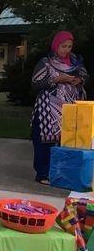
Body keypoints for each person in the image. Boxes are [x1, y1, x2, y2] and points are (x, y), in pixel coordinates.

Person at [31, 30, 88, 184]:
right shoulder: (45, 62)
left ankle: (63, 174)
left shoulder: (75, 61)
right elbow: (36, 84)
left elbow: (85, 77)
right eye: (63, 46)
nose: (66, 50)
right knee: (45, 140)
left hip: (70, 108)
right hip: (48, 108)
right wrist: (57, 79)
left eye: (69, 46)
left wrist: (79, 80)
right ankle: (43, 173)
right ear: (56, 45)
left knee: (68, 141)